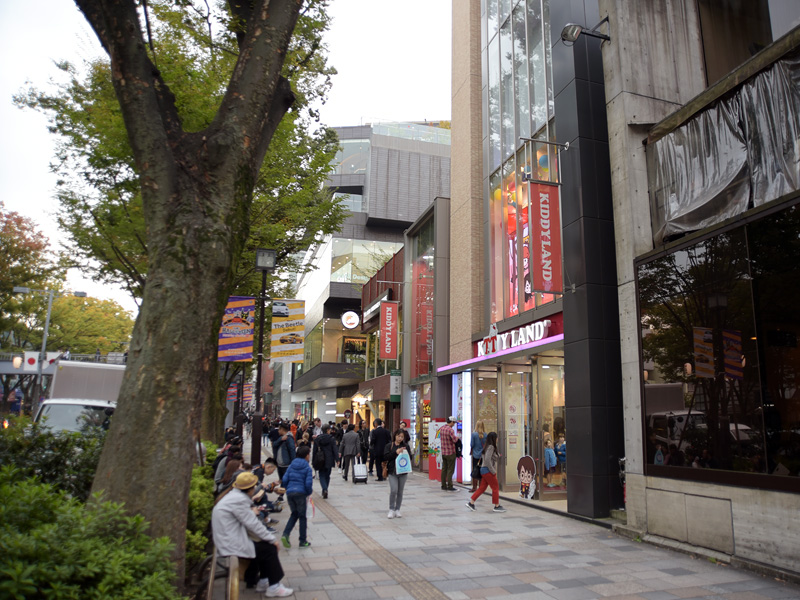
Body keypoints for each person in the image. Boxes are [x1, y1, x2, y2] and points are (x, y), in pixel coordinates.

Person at [211, 472, 293, 597]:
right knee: (269, 549)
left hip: (228, 538)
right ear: (248, 489)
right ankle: (274, 586)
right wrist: (272, 539)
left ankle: (263, 580)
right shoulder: (239, 500)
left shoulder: (234, 496)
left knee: (262, 546)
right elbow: (253, 524)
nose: (255, 489)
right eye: (254, 487)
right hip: (230, 542)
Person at [280, 445, 313, 548]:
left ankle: (285, 534)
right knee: (302, 517)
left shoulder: (291, 465)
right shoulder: (307, 467)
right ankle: (302, 540)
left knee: (294, 514)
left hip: (290, 493)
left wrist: (286, 488)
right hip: (301, 493)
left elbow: (284, 479)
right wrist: (308, 492)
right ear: (307, 455)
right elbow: (308, 484)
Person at [466, 432, 506, 512]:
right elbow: (487, 460)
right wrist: (493, 471)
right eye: (496, 438)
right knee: (495, 487)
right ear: (494, 439)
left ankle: (471, 502)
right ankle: (496, 506)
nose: (497, 439)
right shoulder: (491, 447)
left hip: (484, 470)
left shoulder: (487, 446)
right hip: (488, 470)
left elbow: (490, 457)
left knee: (482, 488)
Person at [384, 428, 412, 519]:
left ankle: (397, 509)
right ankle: (391, 509)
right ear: (395, 436)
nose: (400, 438)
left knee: (400, 491)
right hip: (392, 471)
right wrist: (395, 452)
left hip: (403, 472)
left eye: (402, 437)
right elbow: (386, 457)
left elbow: (409, 458)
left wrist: (405, 452)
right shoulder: (389, 445)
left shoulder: (405, 446)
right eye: (398, 436)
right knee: (393, 490)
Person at [312, 424, 337, 498]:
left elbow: (314, 451)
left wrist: (313, 461)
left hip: (320, 459)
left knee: (321, 475)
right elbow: (335, 449)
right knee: (327, 475)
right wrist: (337, 459)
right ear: (327, 430)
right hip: (329, 459)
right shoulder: (332, 439)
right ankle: (325, 489)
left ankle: (324, 489)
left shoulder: (318, 439)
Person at [440, 416, 459, 491]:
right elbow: (454, 440)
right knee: (450, 470)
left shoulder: (442, 428)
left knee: (444, 469)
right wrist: (457, 437)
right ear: (451, 422)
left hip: (444, 452)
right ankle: (450, 485)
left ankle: (443, 485)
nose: (454, 424)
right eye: (454, 423)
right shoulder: (450, 430)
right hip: (450, 452)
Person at [470, 420, 486, 492]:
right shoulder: (485, 435)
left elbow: (472, 444)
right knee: (482, 471)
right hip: (483, 455)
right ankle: (481, 487)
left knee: (475, 470)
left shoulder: (474, 434)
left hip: (476, 455)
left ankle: (474, 487)